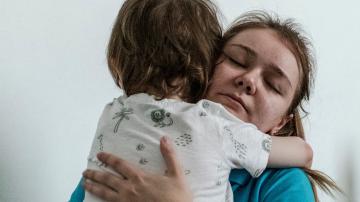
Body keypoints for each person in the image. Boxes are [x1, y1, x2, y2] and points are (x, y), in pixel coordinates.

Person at [71, 9, 340, 202]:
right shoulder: (127, 150)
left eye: (272, 84)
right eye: (237, 60)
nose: (249, 80)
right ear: (201, 64)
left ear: (281, 122)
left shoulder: (283, 185)